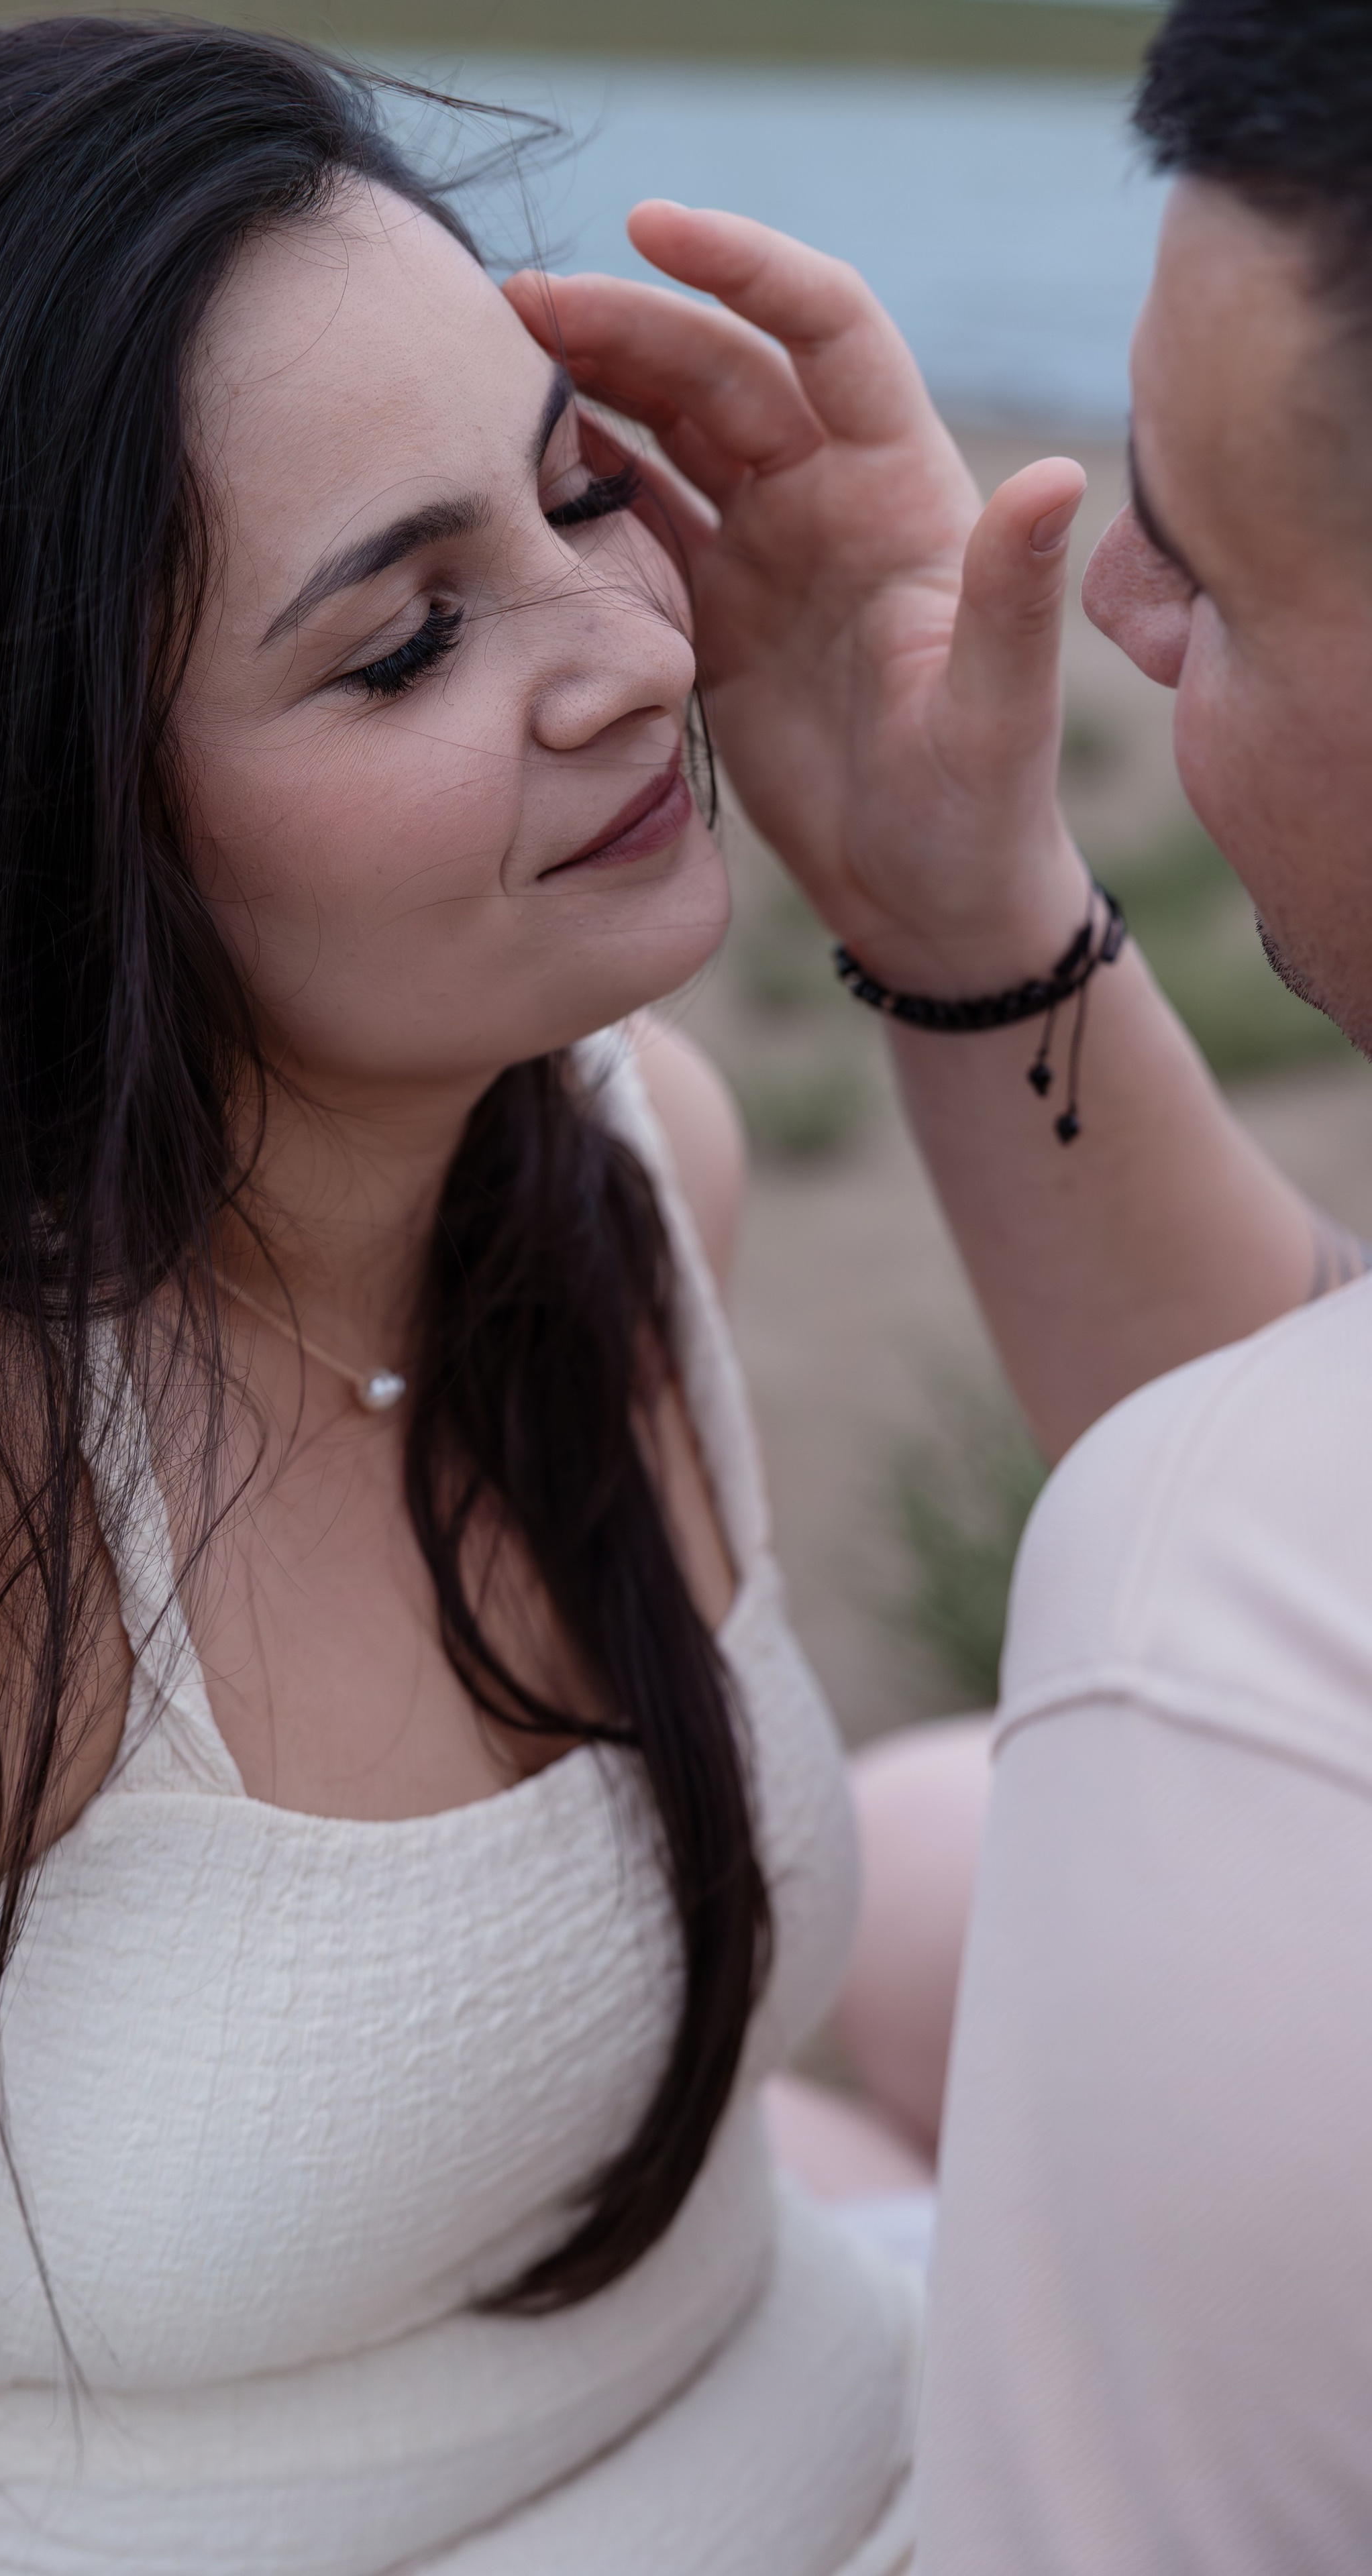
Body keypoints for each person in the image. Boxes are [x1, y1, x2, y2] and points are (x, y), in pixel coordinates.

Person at [0, 22, 935, 2573]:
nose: (634, 660)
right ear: (45, 802)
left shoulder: (627, 1165)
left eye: (587, 497)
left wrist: (966, 879)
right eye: (402, 644)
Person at [517, 0, 1372, 2565]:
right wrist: (965, 918)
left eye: (1202, 568)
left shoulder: (1219, 1617)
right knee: (914, 1854)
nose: (1100, 589)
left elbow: (1264, 1625)